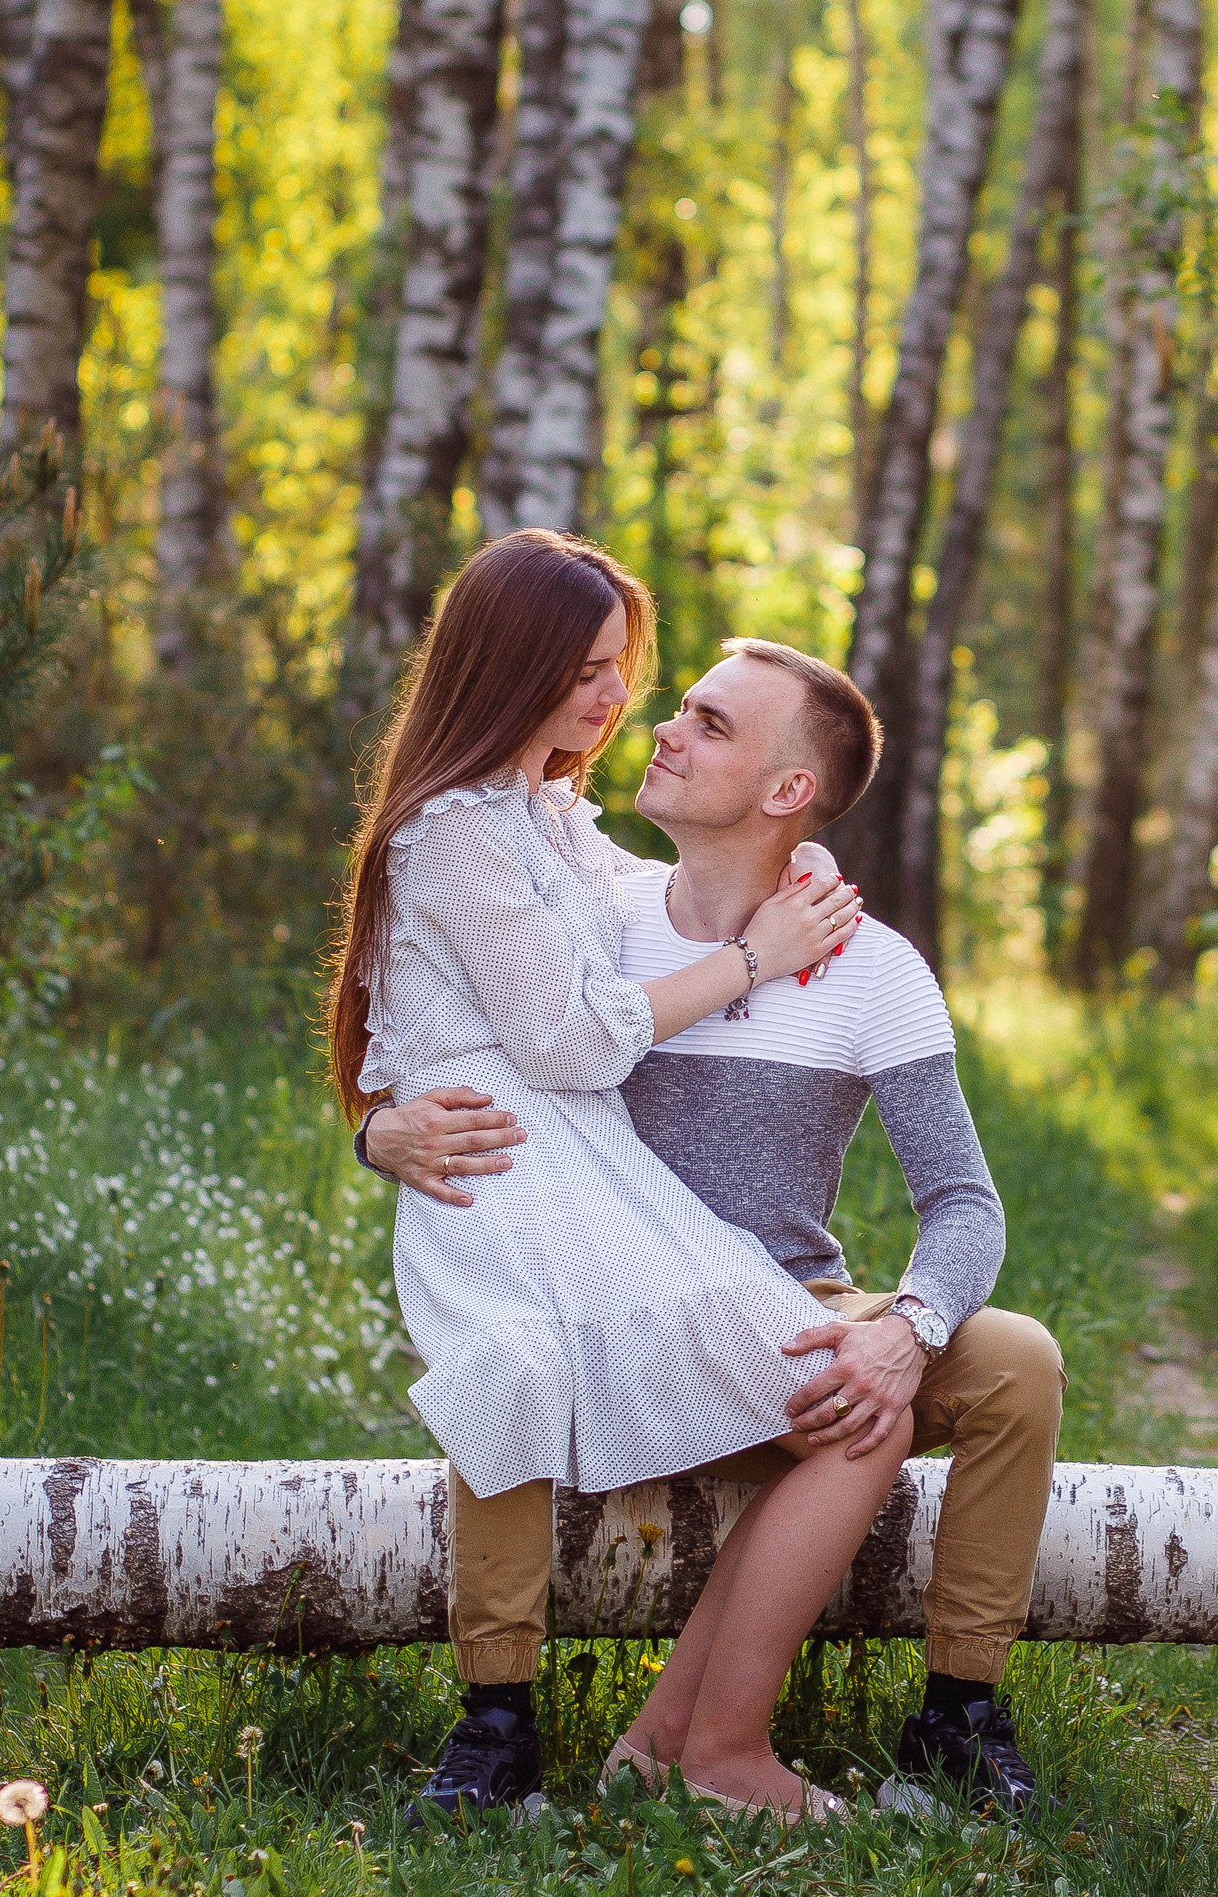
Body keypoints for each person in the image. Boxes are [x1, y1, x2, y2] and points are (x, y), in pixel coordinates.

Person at [362, 631, 1065, 1824]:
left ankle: (958, 1719)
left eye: (710, 722)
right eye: (681, 706)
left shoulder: (869, 966)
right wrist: (381, 1129)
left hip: (786, 1316)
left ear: (789, 791)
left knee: (1018, 1361)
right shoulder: (594, 912)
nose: (661, 727)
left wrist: (906, 1325)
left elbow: (964, 1201)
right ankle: (523, 1731)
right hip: (604, 1316)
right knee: (506, 1347)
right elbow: (451, 1017)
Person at [326, 528, 912, 1821]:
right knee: (544, 1368)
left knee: (838, 1401)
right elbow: (572, 1041)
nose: (615, 699)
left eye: (619, 667)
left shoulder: (540, 814)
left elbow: (655, 895)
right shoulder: (452, 828)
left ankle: (680, 1744)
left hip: (584, 1167)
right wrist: (756, 959)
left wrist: (794, 859)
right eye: (586, 669)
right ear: (508, 665)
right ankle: (532, 1736)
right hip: (507, 1169)